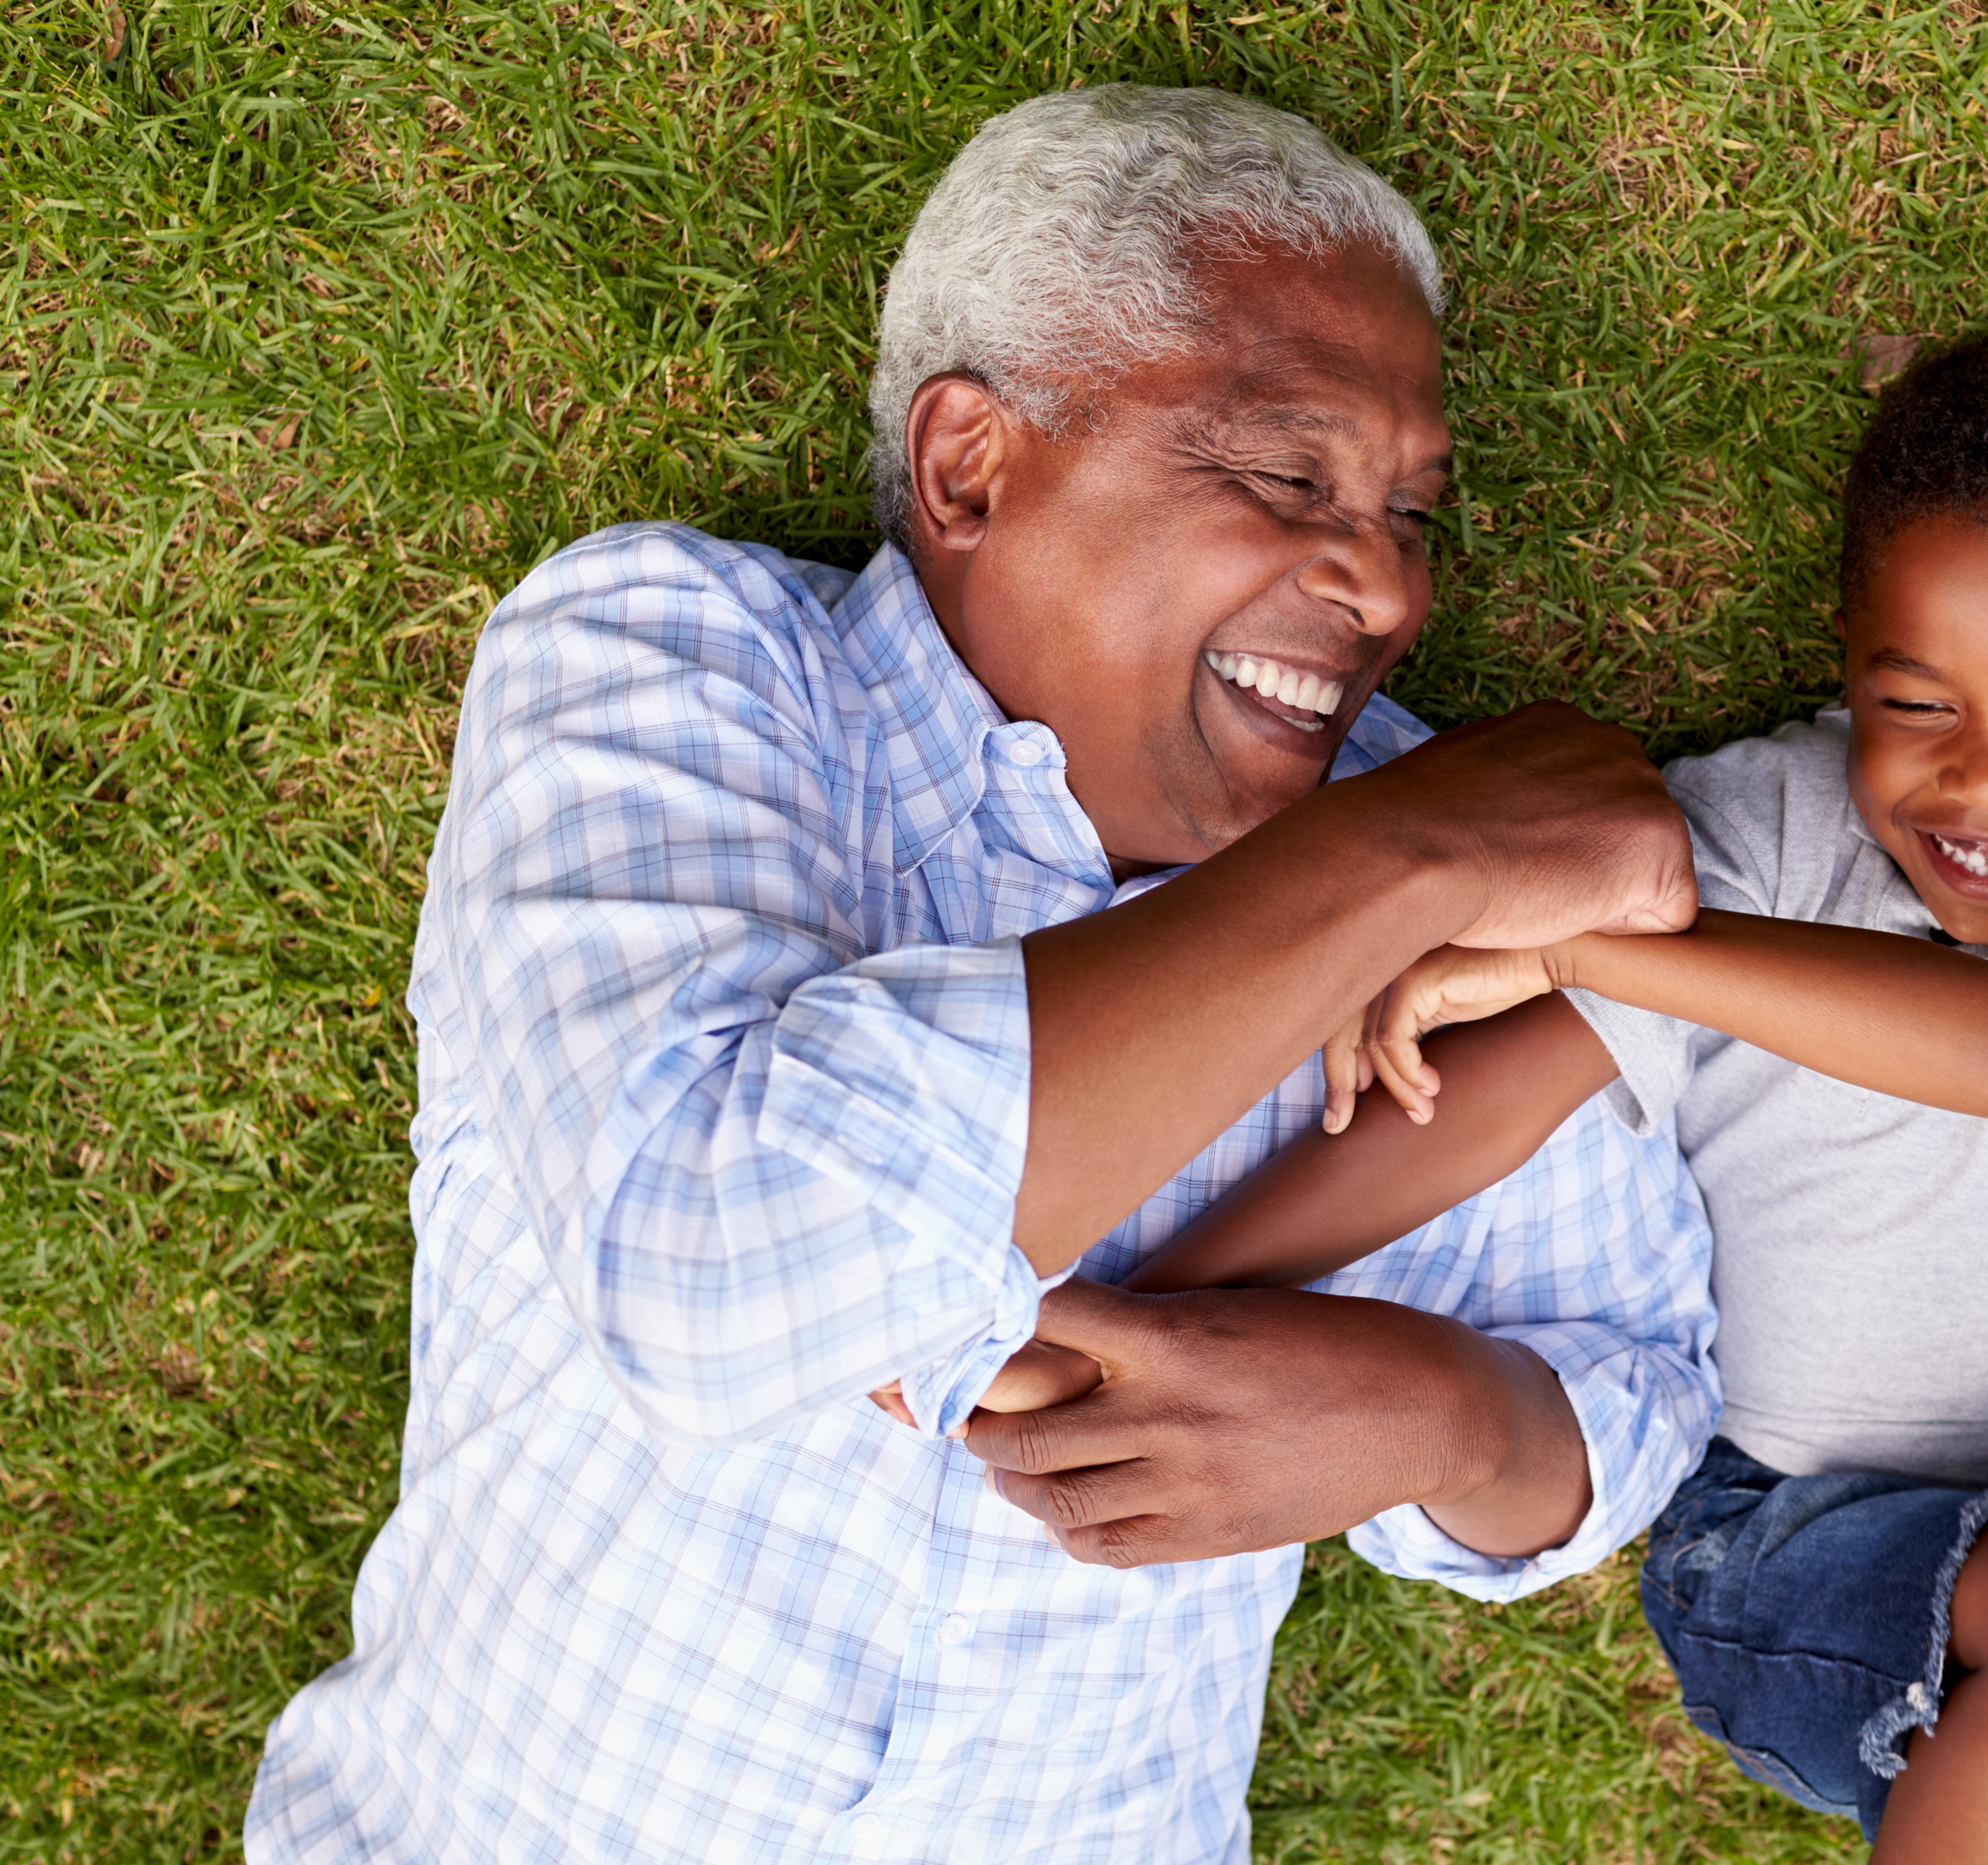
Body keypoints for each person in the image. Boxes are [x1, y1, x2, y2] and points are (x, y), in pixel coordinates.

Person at [243, 85, 1724, 1865]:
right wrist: (1398, 861)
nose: (1387, 587)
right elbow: (721, 1265)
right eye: (1286, 475)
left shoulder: (1451, 868)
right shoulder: (672, 662)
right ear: (970, 467)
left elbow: (1631, 1386)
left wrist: (1430, 1416)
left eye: (1413, 511)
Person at [1019, 330, 1988, 1864]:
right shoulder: (1756, 828)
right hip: (1788, 1534)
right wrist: (1158, 1302)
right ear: (1850, 663)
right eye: (1919, 706)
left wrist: (1601, 944)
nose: (1987, 789)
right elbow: (1485, 1105)